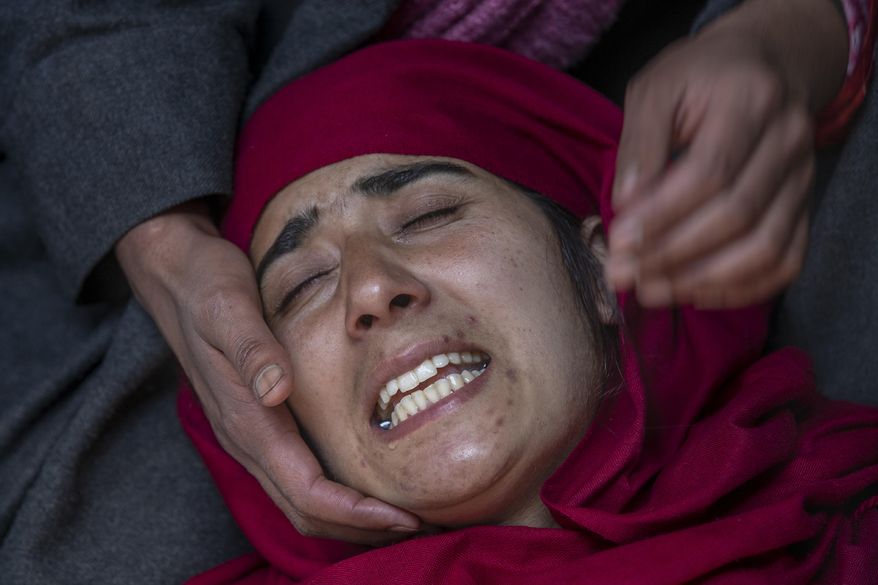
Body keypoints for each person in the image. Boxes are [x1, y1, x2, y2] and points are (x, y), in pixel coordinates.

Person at [179, 38, 878, 584]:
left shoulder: (848, 520)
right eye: (302, 284)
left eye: (429, 213)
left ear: (604, 269)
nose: (369, 288)